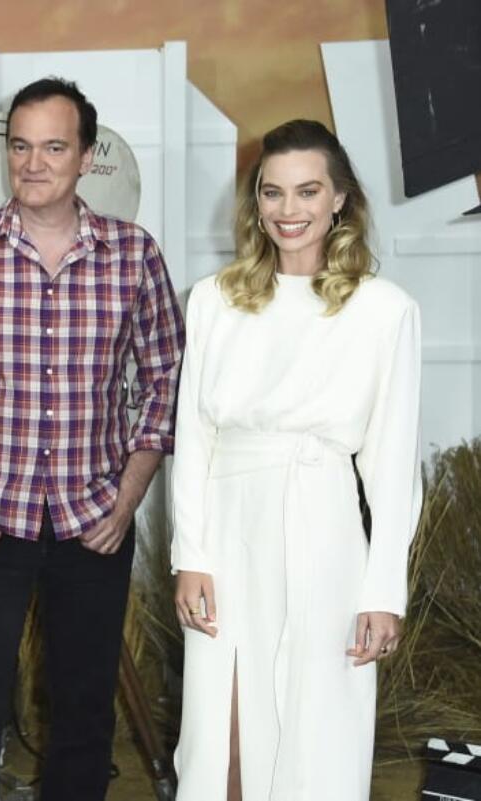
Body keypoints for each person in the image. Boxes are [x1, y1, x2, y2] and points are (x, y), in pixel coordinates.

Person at [0, 77, 184, 801]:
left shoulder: (134, 255)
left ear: (87, 157)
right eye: (21, 146)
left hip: (95, 521)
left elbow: (165, 383)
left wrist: (127, 501)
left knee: (85, 716)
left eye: (54, 146)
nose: (34, 163)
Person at [170, 119, 422, 800]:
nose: (289, 211)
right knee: (219, 734)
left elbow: (393, 465)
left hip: (327, 531)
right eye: (273, 193)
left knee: (319, 730)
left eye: (307, 191)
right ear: (256, 202)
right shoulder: (214, 301)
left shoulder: (384, 311)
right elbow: (193, 436)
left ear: (340, 197)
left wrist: (382, 591)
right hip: (228, 528)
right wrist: (188, 553)